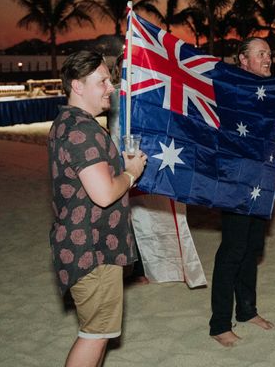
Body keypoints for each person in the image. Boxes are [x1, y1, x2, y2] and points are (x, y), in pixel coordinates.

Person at [48, 50, 147, 367]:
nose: (110, 87)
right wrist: (131, 173)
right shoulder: (83, 131)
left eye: (110, 79)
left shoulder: (66, 121)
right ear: (77, 85)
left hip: (83, 244)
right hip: (93, 249)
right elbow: (104, 194)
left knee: (97, 333)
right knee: (95, 335)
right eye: (102, 80)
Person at [210, 37, 275, 347]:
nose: (267, 58)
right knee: (232, 250)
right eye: (260, 53)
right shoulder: (231, 88)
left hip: (262, 180)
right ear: (243, 61)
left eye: (270, 54)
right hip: (235, 180)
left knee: (252, 249)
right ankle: (220, 323)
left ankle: (247, 311)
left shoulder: (268, 92)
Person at [107, 54, 207, 288]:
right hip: (119, 160)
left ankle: (149, 265)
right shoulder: (113, 94)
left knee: (148, 213)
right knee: (126, 215)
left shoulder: (152, 91)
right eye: (125, 67)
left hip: (147, 158)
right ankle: (133, 269)